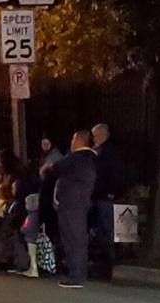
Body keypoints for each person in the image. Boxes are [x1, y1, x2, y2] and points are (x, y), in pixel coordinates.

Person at [51, 130, 97, 290]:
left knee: (73, 240)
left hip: (72, 205)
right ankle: (77, 273)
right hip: (77, 204)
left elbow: (56, 168)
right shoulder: (89, 159)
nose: (71, 142)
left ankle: (76, 276)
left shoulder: (78, 157)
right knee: (75, 239)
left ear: (79, 140)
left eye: (73, 138)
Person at [89, 123, 124, 280]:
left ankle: (110, 264)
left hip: (106, 195)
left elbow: (114, 172)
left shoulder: (109, 151)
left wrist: (112, 192)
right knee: (103, 231)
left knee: (108, 230)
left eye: (95, 135)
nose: (93, 139)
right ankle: (105, 264)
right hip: (100, 195)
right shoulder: (99, 151)